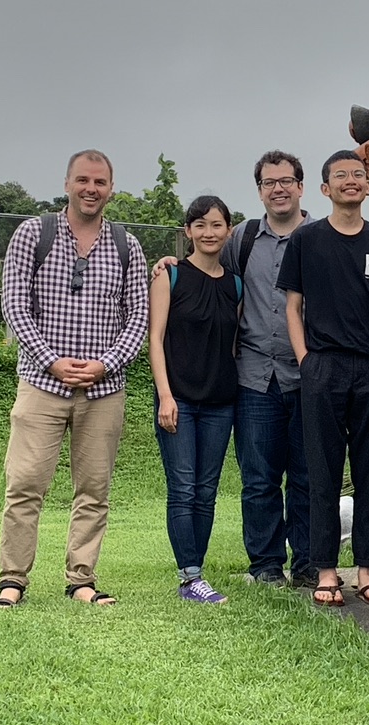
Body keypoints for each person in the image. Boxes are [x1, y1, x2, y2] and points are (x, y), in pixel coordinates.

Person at [151, 151, 316, 589]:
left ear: (300, 186)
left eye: (286, 181)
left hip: (306, 377)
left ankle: (307, 565)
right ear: (259, 190)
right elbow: (203, 267)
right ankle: (266, 565)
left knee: (306, 477)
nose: (278, 189)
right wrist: (168, 262)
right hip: (254, 378)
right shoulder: (243, 238)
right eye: (268, 182)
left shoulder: (320, 237)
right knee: (259, 479)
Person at [0, 149, 149, 608]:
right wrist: (51, 361)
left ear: (111, 190)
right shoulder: (33, 234)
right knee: (25, 485)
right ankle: (13, 579)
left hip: (103, 390)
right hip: (41, 384)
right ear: (67, 183)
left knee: (94, 490)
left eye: (100, 182)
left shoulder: (126, 245)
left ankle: (81, 579)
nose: (91, 189)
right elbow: (14, 306)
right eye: (83, 180)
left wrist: (106, 363)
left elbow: (137, 317)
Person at [277, 149, 369, 608]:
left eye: (359, 174)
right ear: (325, 188)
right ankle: (326, 570)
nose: (352, 180)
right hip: (323, 366)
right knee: (322, 473)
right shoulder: (306, 240)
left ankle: (367, 570)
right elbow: (293, 307)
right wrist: (306, 360)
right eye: (341, 175)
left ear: (368, 186)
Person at [149, 196, 241, 604]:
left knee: (206, 490)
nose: (209, 232)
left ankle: (195, 573)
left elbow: (233, 343)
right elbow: (155, 339)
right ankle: (190, 577)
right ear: (188, 231)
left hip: (221, 402)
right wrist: (165, 396)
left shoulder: (235, 284)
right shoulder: (169, 276)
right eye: (200, 225)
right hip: (179, 401)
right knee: (183, 487)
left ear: (228, 231)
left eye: (217, 225)